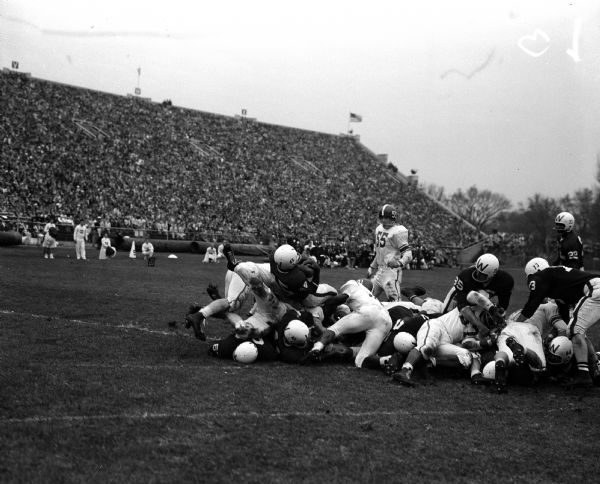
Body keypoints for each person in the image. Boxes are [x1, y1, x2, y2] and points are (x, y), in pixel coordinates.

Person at [518, 257, 600, 388]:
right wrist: (551, 335)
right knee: (576, 331)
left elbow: (532, 304)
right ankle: (593, 368)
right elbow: (566, 320)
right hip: (595, 289)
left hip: (595, 289)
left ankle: (584, 375)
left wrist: (516, 323)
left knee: (575, 330)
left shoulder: (541, 275)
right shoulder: (559, 284)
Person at [304, 278, 392, 368]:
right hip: (386, 320)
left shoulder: (353, 284)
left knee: (334, 329)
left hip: (368, 312)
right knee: (360, 360)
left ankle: (315, 349)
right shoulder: (373, 298)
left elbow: (341, 298)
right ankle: (387, 360)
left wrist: (327, 302)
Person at [440, 253, 514, 338]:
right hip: (460, 293)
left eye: (483, 275)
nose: (478, 276)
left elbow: (503, 304)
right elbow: (462, 307)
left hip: (481, 296)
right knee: (444, 315)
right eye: (478, 271)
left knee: (486, 312)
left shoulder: (505, 280)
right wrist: (480, 326)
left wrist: (498, 315)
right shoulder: (465, 277)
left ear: (493, 274)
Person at [367, 204, 413, 302]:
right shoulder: (379, 229)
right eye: (382, 217)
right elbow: (380, 253)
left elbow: (408, 254)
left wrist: (398, 263)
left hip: (391, 273)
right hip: (380, 272)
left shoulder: (397, 232)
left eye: (386, 218)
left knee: (395, 303)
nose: (384, 220)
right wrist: (372, 267)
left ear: (393, 218)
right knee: (366, 299)